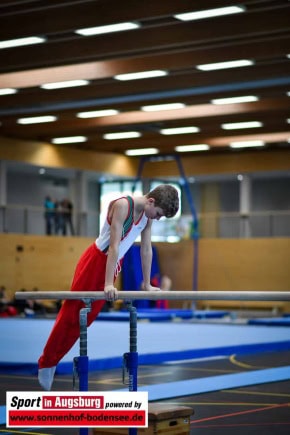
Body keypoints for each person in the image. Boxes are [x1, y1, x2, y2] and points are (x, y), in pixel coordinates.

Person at [38, 184, 179, 390]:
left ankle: (53, 361)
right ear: (151, 201)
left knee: (83, 322)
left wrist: (147, 283)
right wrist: (108, 283)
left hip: (113, 265)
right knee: (70, 315)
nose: (157, 218)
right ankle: (46, 362)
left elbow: (146, 249)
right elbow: (113, 246)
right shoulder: (123, 206)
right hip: (96, 261)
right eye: (158, 214)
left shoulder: (147, 216)